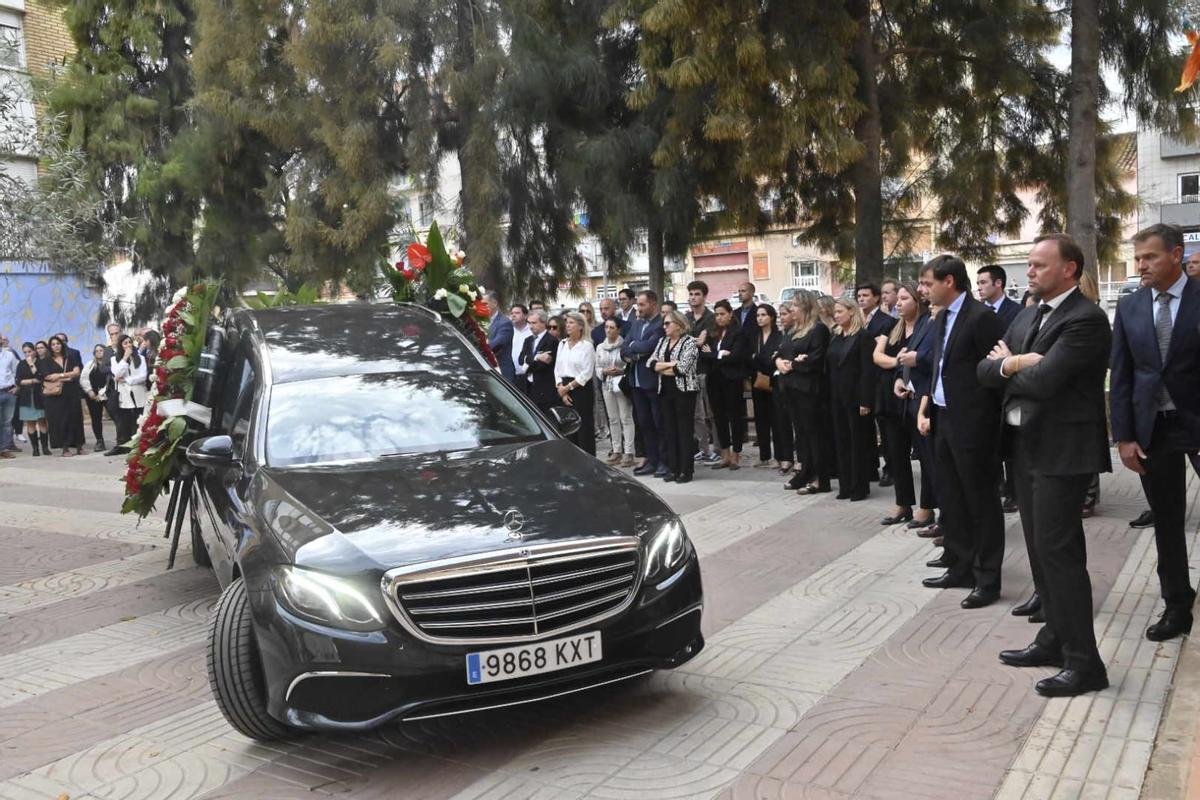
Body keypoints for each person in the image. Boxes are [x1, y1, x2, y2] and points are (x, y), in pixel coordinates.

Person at [980, 233, 1111, 698]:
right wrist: (1019, 363)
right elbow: (984, 370)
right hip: (1024, 446)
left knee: (1060, 554)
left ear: (1069, 269)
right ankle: (1054, 638)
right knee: (1039, 550)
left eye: (1038, 264)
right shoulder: (1029, 314)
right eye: (1030, 264)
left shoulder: (1086, 319)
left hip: (1063, 452)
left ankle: (1085, 663)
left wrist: (1009, 368)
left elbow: (1047, 382)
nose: (1029, 271)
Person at [1110, 223, 1200, 642]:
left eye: (1150, 257)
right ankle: (1177, 603)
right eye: (1138, 258)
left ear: (1176, 255)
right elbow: (1122, 375)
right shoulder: (1130, 306)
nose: (1141, 265)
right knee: (1166, 520)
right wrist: (1124, 437)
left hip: (1196, 421)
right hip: (1154, 428)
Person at [917, 255, 1007, 609]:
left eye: (929, 283)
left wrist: (985, 423)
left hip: (973, 425)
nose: (924, 290)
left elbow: (994, 374)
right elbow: (940, 368)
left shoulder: (981, 317)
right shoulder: (942, 318)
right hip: (943, 418)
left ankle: (987, 579)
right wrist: (928, 406)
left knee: (981, 502)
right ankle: (960, 566)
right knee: (951, 498)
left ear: (949, 281)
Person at [872, 282, 931, 525]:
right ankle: (903, 503)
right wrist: (899, 365)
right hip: (893, 396)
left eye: (904, 298)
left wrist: (903, 366)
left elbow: (925, 361)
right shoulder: (894, 325)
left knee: (925, 457)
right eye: (898, 299)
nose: (898, 303)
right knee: (896, 454)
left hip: (918, 398)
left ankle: (926, 507)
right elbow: (877, 356)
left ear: (917, 301)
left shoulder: (927, 325)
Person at [776, 291, 831, 494]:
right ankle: (805, 472)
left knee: (814, 433)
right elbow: (781, 351)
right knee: (800, 433)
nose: (792, 309)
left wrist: (794, 364)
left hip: (809, 389)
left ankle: (820, 477)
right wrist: (779, 361)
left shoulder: (818, 329)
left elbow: (816, 358)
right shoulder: (793, 330)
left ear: (806, 307)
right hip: (791, 388)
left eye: (795, 306)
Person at [895, 290, 940, 533]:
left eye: (904, 298)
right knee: (923, 458)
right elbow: (904, 357)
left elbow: (935, 360)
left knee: (932, 461)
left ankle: (932, 509)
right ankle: (925, 509)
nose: (898, 303)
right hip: (911, 398)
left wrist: (917, 359)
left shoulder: (933, 322)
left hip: (929, 401)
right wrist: (899, 379)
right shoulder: (923, 323)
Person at [650, 310, 701, 483]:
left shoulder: (689, 342)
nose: (664, 327)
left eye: (667, 323)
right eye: (663, 323)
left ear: (678, 325)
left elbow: (682, 368)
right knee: (669, 431)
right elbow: (651, 364)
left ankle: (686, 470)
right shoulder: (662, 341)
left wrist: (663, 367)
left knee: (684, 431)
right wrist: (670, 365)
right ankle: (673, 468)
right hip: (665, 390)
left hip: (684, 392)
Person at [622, 290, 667, 477]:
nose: (638, 308)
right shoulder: (636, 324)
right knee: (644, 423)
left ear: (653, 304)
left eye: (642, 305)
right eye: (638, 304)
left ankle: (664, 462)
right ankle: (652, 460)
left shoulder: (660, 325)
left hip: (652, 382)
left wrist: (634, 347)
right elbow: (623, 347)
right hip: (636, 382)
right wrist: (635, 352)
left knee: (659, 424)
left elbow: (650, 346)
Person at [700, 299, 748, 470]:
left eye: (722, 314)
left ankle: (736, 454)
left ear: (730, 314)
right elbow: (704, 353)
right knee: (719, 417)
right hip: (714, 379)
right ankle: (725, 454)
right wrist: (721, 354)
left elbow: (736, 356)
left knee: (734, 417)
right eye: (717, 314)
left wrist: (715, 354)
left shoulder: (738, 332)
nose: (719, 318)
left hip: (732, 380)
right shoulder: (712, 333)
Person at [749, 303, 790, 470]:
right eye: (758, 315)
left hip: (774, 381)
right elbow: (750, 358)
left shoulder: (779, 336)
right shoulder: (755, 336)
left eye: (763, 315)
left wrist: (758, 358)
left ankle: (780, 456)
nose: (760, 318)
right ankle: (764, 455)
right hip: (758, 380)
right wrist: (760, 359)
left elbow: (772, 360)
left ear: (771, 317)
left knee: (777, 419)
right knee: (760, 419)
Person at [685, 280, 720, 465]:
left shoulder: (711, 318)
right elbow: (684, 341)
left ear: (704, 296)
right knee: (696, 414)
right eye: (691, 294)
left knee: (712, 412)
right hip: (690, 370)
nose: (693, 297)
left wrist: (699, 341)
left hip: (707, 369)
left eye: (697, 294)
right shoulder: (686, 318)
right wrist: (696, 341)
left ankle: (718, 449)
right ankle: (703, 449)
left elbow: (709, 343)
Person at [554, 311, 597, 456]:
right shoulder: (562, 344)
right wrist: (561, 388)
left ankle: (588, 458)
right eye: (567, 322)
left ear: (580, 326)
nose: (567, 325)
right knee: (567, 426)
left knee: (583, 427)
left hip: (580, 388)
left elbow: (586, 373)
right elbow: (557, 369)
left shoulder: (587, 346)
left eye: (571, 323)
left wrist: (568, 387)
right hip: (564, 387)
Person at [595, 318, 635, 466]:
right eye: (606, 327)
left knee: (626, 417)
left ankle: (629, 451)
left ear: (618, 330)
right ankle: (616, 450)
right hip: (607, 384)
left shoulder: (624, 345)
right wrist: (604, 371)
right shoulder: (600, 347)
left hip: (621, 385)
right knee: (613, 419)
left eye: (612, 327)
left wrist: (621, 371)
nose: (608, 330)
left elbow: (629, 365)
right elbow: (597, 366)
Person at [42, 336, 85, 457]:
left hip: (72, 392)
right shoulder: (46, 360)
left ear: (62, 344)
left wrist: (59, 375)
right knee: (61, 420)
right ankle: (65, 448)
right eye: (53, 344)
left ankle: (79, 446)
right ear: (50, 347)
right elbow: (48, 377)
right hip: (56, 395)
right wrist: (67, 376)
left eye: (58, 343)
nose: (56, 346)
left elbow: (77, 372)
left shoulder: (70, 357)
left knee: (76, 417)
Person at [109, 333, 148, 455]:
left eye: (130, 342)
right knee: (123, 420)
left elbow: (143, 376)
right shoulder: (114, 359)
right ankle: (123, 445)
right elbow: (117, 374)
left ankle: (137, 445)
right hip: (124, 394)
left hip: (139, 392)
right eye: (125, 343)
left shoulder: (140, 358)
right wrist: (125, 358)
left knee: (138, 419)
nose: (128, 345)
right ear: (121, 345)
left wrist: (127, 380)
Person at [519, 310, 559, 415]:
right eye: (529, 323)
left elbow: (543, 365)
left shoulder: (551, 341)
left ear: (544, 323)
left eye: (534, 323)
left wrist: (527, 363)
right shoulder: (528, 340)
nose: (531, 326)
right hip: (528, 387)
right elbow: (520, 359)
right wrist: (537, 357)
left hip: (544, 389)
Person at [14, 342, 48, 456]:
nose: (27, 354)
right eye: (25, 352)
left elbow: (41, 377)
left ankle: (45, 448)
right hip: (26, 397)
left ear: (34, 351)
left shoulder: (41, 362)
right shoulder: (21, 364)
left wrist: (31, 365)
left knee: (42, 421)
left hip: (40, 396)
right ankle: (35, 449)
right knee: (30, 423)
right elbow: (18, 381)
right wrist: (32, 381)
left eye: (29, 351)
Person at [80, 344, 111, 453]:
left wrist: (103, 393)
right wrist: (89, 391)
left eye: (101, 350)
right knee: (96, 418)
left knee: (116, 416)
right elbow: (83, 378)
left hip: (108, 394)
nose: (98, 352)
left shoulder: (111, 363)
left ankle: (121, 439)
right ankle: (99, 441)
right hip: (93, 395)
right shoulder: (90, 364)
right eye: (96, 351)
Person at [976, 265, 1022, 330]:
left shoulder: (1019, 312)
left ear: (998, 283)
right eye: (978, 284)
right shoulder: (974, 312)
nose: (979, 288)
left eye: (983, 283)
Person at [485, 291, 516, 382]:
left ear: (494, 303)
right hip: (486, 369)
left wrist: (476, 349)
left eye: (485, 304)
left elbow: (497, 344)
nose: (482, 306)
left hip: (502, 372)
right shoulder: (481, 320)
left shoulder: (505, 323)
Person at [0, 336, 17, 459]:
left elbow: (16, 371)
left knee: (7, 422)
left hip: (8, 392)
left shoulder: (9, 355)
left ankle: (5, 449)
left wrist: (17, 386)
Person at [509, 304, 533, 384]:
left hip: (528, 376)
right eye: (512, 313)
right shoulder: (508, 331)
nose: (513, 315)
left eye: (517, 313)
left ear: (525, 316)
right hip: (510, 375)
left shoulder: (532, 331)